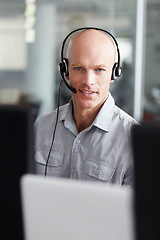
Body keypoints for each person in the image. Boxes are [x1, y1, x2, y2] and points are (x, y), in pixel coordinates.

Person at [35, 28, 138, 187]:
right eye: (78, 68)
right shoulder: (42, 126)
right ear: (65, 71)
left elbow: (137, 209)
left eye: (99, 70)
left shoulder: (132, 139)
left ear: (113, 74)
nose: (88, 81)